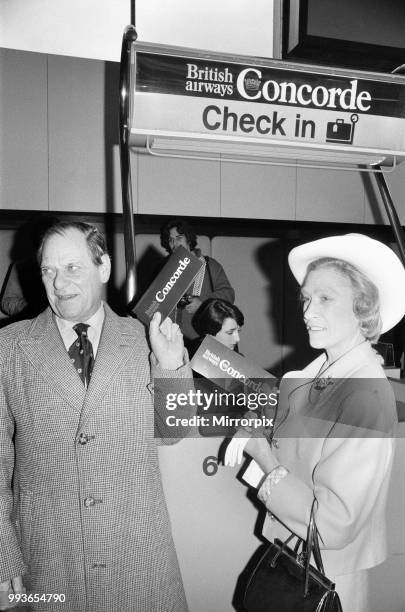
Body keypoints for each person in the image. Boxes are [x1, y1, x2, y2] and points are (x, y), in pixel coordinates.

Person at [0, 221, 193, 612]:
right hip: (50, 562)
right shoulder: (10, 347)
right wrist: (4, 559)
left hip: (140, 561)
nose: (58, 283)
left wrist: (170, 365)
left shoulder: (144, 339)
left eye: (72, 267)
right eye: (48, 270)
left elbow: (174, 432)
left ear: (102, 268)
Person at [225, 233, 405, 611]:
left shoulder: (365, 393)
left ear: (362, 307)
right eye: (306, 298)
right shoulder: (318, 376)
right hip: (296, 561)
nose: (307, 312)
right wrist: (260, 430)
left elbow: (333, 524)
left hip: (327, 580)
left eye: (325, 298)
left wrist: (266, 460)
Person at [160, 218, 235, 346]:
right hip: (171, 340)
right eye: (171, 240)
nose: (174, 244)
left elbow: (229, 295)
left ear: (189, 239)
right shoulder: (164, 267)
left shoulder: (210, 265)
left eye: (179, 238)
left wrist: (203, 303)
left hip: (203, 340)